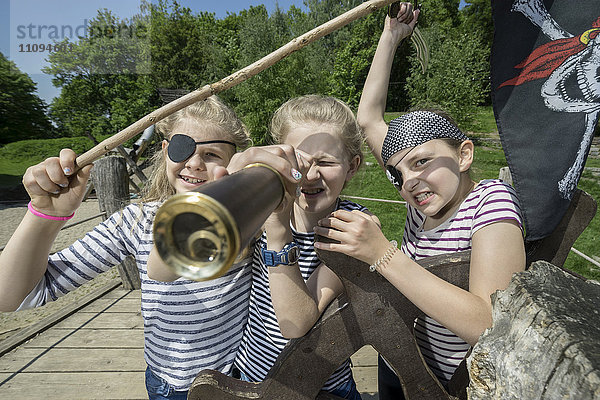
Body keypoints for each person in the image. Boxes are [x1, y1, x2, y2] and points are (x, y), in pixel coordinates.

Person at [0, 96, 301, 400]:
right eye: (184, 148)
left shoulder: (246, 223)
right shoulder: (136, 221)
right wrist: (45, 217)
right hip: (164, 385)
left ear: (232, 164)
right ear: (165, 151)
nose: (195, 163)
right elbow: (15, 296)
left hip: (229, 381)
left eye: (211, 154)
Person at [311, 3, 527, 399]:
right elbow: (369, 120)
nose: (409, 181)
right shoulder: (423, 198)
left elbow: (489, 324)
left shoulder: (490, 205)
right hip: (401, 358)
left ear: (463, 155)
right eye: (398, 172)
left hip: (453, 383)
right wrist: (391, 36)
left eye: (422, 162)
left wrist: (384, 254)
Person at [230, 95, 368, 400]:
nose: (308, 175)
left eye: (326, 162)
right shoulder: (257, 207)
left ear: (352, 166)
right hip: (252, 379)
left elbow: (299, 323)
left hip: (321, 388)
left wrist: (277, 230)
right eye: (299, 162)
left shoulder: (353, 225)